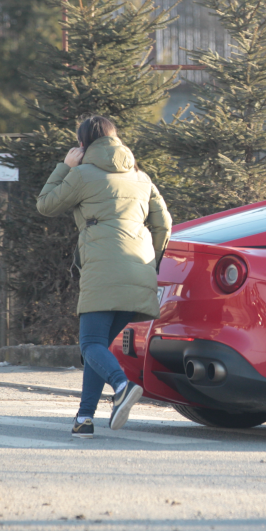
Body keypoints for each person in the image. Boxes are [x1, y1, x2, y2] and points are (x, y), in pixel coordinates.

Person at [37, 116, 172, 438]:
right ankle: (84, 418)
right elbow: (164, 223)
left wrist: (65, 166)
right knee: (98, 348)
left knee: (90, 345)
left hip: (103, 270)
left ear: (83, 144)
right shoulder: (141, 177)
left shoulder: (81, 174)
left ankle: (122, 386)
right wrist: (151, 264)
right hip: (139, 269)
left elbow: (45, 205)